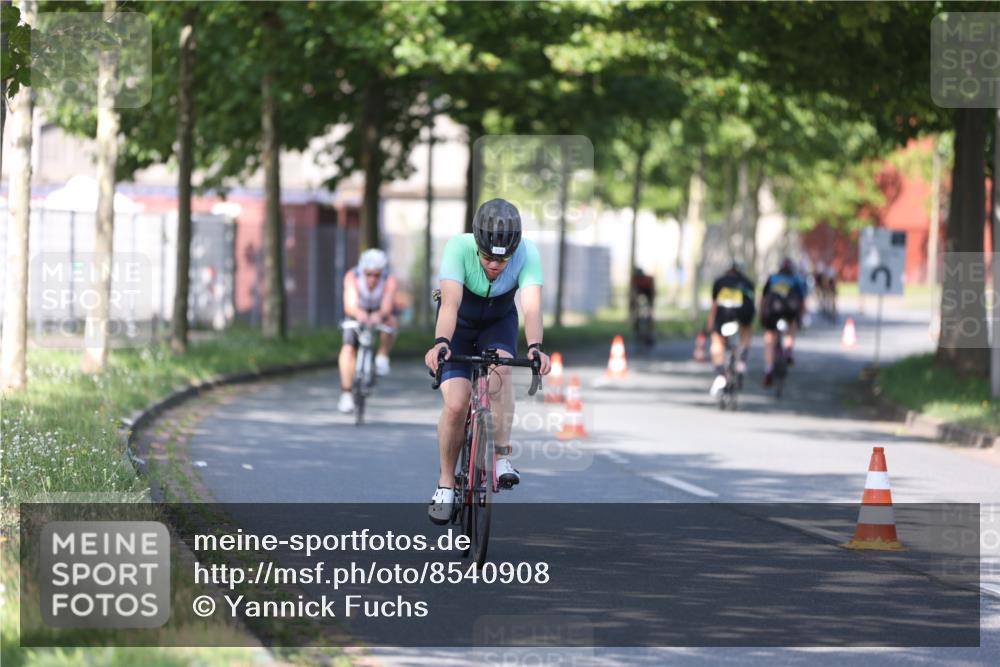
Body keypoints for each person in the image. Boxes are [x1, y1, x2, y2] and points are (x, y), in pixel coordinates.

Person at [424, 198, 551, 525]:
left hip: (499, 322)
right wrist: (441, 343)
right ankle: (446, 483)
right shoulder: (458, 247)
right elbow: (450, 305)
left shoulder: (529, 253)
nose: (494, 266)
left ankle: (501, 457)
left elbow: (532, 307)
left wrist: (536, 346)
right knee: (455, 404)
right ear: (477, 245)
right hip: (460, 325)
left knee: (502, 372)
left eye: (504, 260)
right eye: (487, 258)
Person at [337, 248, 398, 413]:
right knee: (348, 349)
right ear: (362, 271)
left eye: (376, 275)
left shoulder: (389, 280)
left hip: (379, 311)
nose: (372, 278)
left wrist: (379, 315)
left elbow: (387, 305)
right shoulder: (352, 276)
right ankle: (346, 393)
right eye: (368, 274)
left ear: (382, 273)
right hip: (357, 312)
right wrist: (360, 314)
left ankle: (383, 356)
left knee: (391, 322)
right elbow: (349, 304)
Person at [707, 262, 756, 397]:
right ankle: (742, 359)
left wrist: (710, 325)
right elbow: (752, 305)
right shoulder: (747, 282)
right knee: (746, 329)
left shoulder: (720, 282)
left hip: (723, 316)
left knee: (717, 340)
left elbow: (714, 305)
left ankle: (720, 372)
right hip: (743, 316)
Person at [760, 257, 807, 386]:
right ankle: (788, 350)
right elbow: (802, 301)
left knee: (770, 338)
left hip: (773, 311)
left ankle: (768, 368)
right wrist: (801, 317)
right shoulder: (797, 279)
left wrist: (761, 316)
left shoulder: (772, 278)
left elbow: (764, 298)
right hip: (790, 311)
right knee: (791, 326)